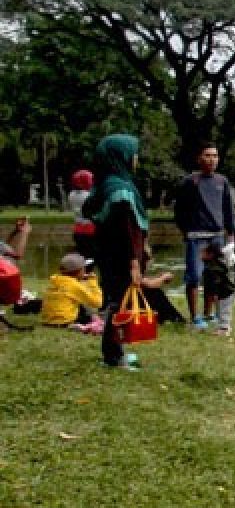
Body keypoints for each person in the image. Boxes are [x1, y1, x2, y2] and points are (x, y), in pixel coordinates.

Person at [82, 134, 150, 370]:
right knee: (119, 304)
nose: (136, 158)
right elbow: (125, 229)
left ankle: (115, 351)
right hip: (121, 256)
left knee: (117, 300)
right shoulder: (119, 188)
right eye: (133, 153)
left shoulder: (107, 184)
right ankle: (114, 355)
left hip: (110, 255)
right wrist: (134, 262)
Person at [174, 141, 234, 328]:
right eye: (207, 155)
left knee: (214, 276)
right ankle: (195, 316)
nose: (211, 159)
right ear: (199, 158)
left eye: (215, 156)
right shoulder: (190, 181)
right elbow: (179, 210)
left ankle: (209, 313)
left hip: (217, 235)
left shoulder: (222, 181)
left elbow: (227, 208)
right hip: (196, 235)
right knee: (194, 275)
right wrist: (186, 230)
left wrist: (230, 233)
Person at [40, 252, 104, 331]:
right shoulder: (74, 285)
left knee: (78, 301)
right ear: (79, 271)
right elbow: (98, 303)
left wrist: (80, 279)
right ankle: (81, 325)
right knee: (92, 313)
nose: (85, 271)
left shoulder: (55, 280)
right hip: (65, 322)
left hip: (48, 322)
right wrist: (92, 281)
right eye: (84, 269)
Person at [202, 239, 235, 337]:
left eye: (203, 252)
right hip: (223, 292)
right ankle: (221, 326)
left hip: (226, 292)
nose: (201, 254)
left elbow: (216, 282)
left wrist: (215, 293)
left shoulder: (214, 267)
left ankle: (225, 328)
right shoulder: (213, 265)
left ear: (211, 254)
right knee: (219, 310)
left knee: (224, 309)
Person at [67, 169, 97, 258]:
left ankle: (83, 271)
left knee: (82, 256)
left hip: (77, 229)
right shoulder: (88, 196)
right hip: (90, 230)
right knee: (90, 257)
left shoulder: (71, 195)